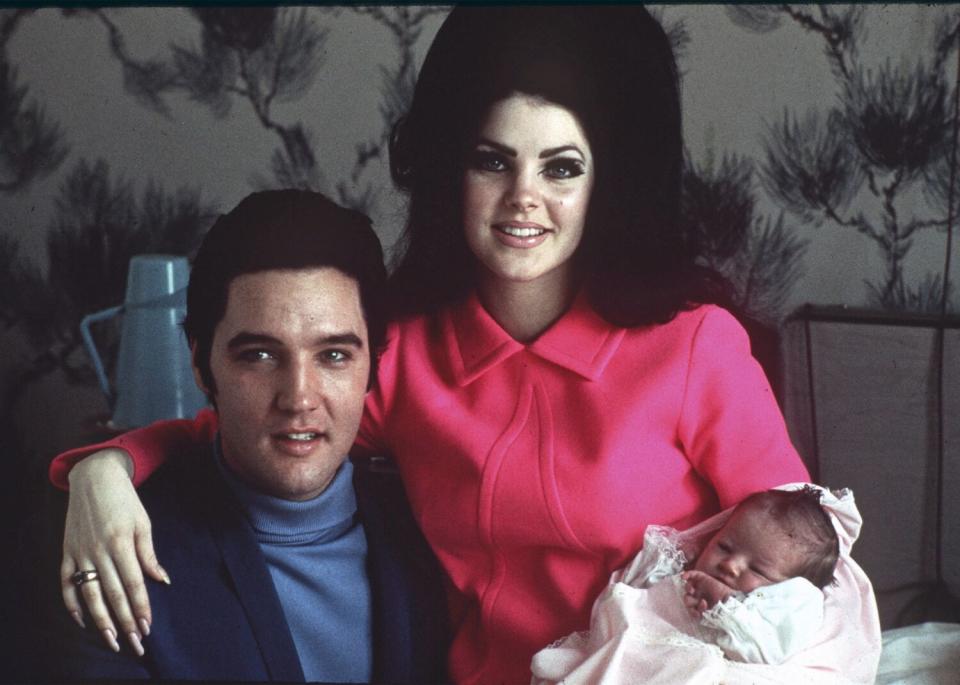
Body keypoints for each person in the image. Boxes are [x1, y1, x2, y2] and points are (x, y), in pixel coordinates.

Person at [48, 6, 880, 684]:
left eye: (560, 168)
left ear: (607, 181)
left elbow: (805, 562)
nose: (523, 199)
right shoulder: (404, 353)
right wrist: (102, 468)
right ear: (454, 170)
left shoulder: (696, 348)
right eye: (493, 161)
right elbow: (255, 421)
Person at [44, 190, 447, 682]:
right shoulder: (114, 550)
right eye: (259, 354)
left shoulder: (433, 525)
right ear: (199, 363)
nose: (299, 397)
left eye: (334, 355)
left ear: (373, 366)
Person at [530, 484, 867, 684]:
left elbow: (764, 649)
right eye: (724, 546)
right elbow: (643, 601)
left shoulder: (793, 609)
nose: (731, 565)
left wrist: (724, 604)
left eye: (759, 570)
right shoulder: (683, 568)